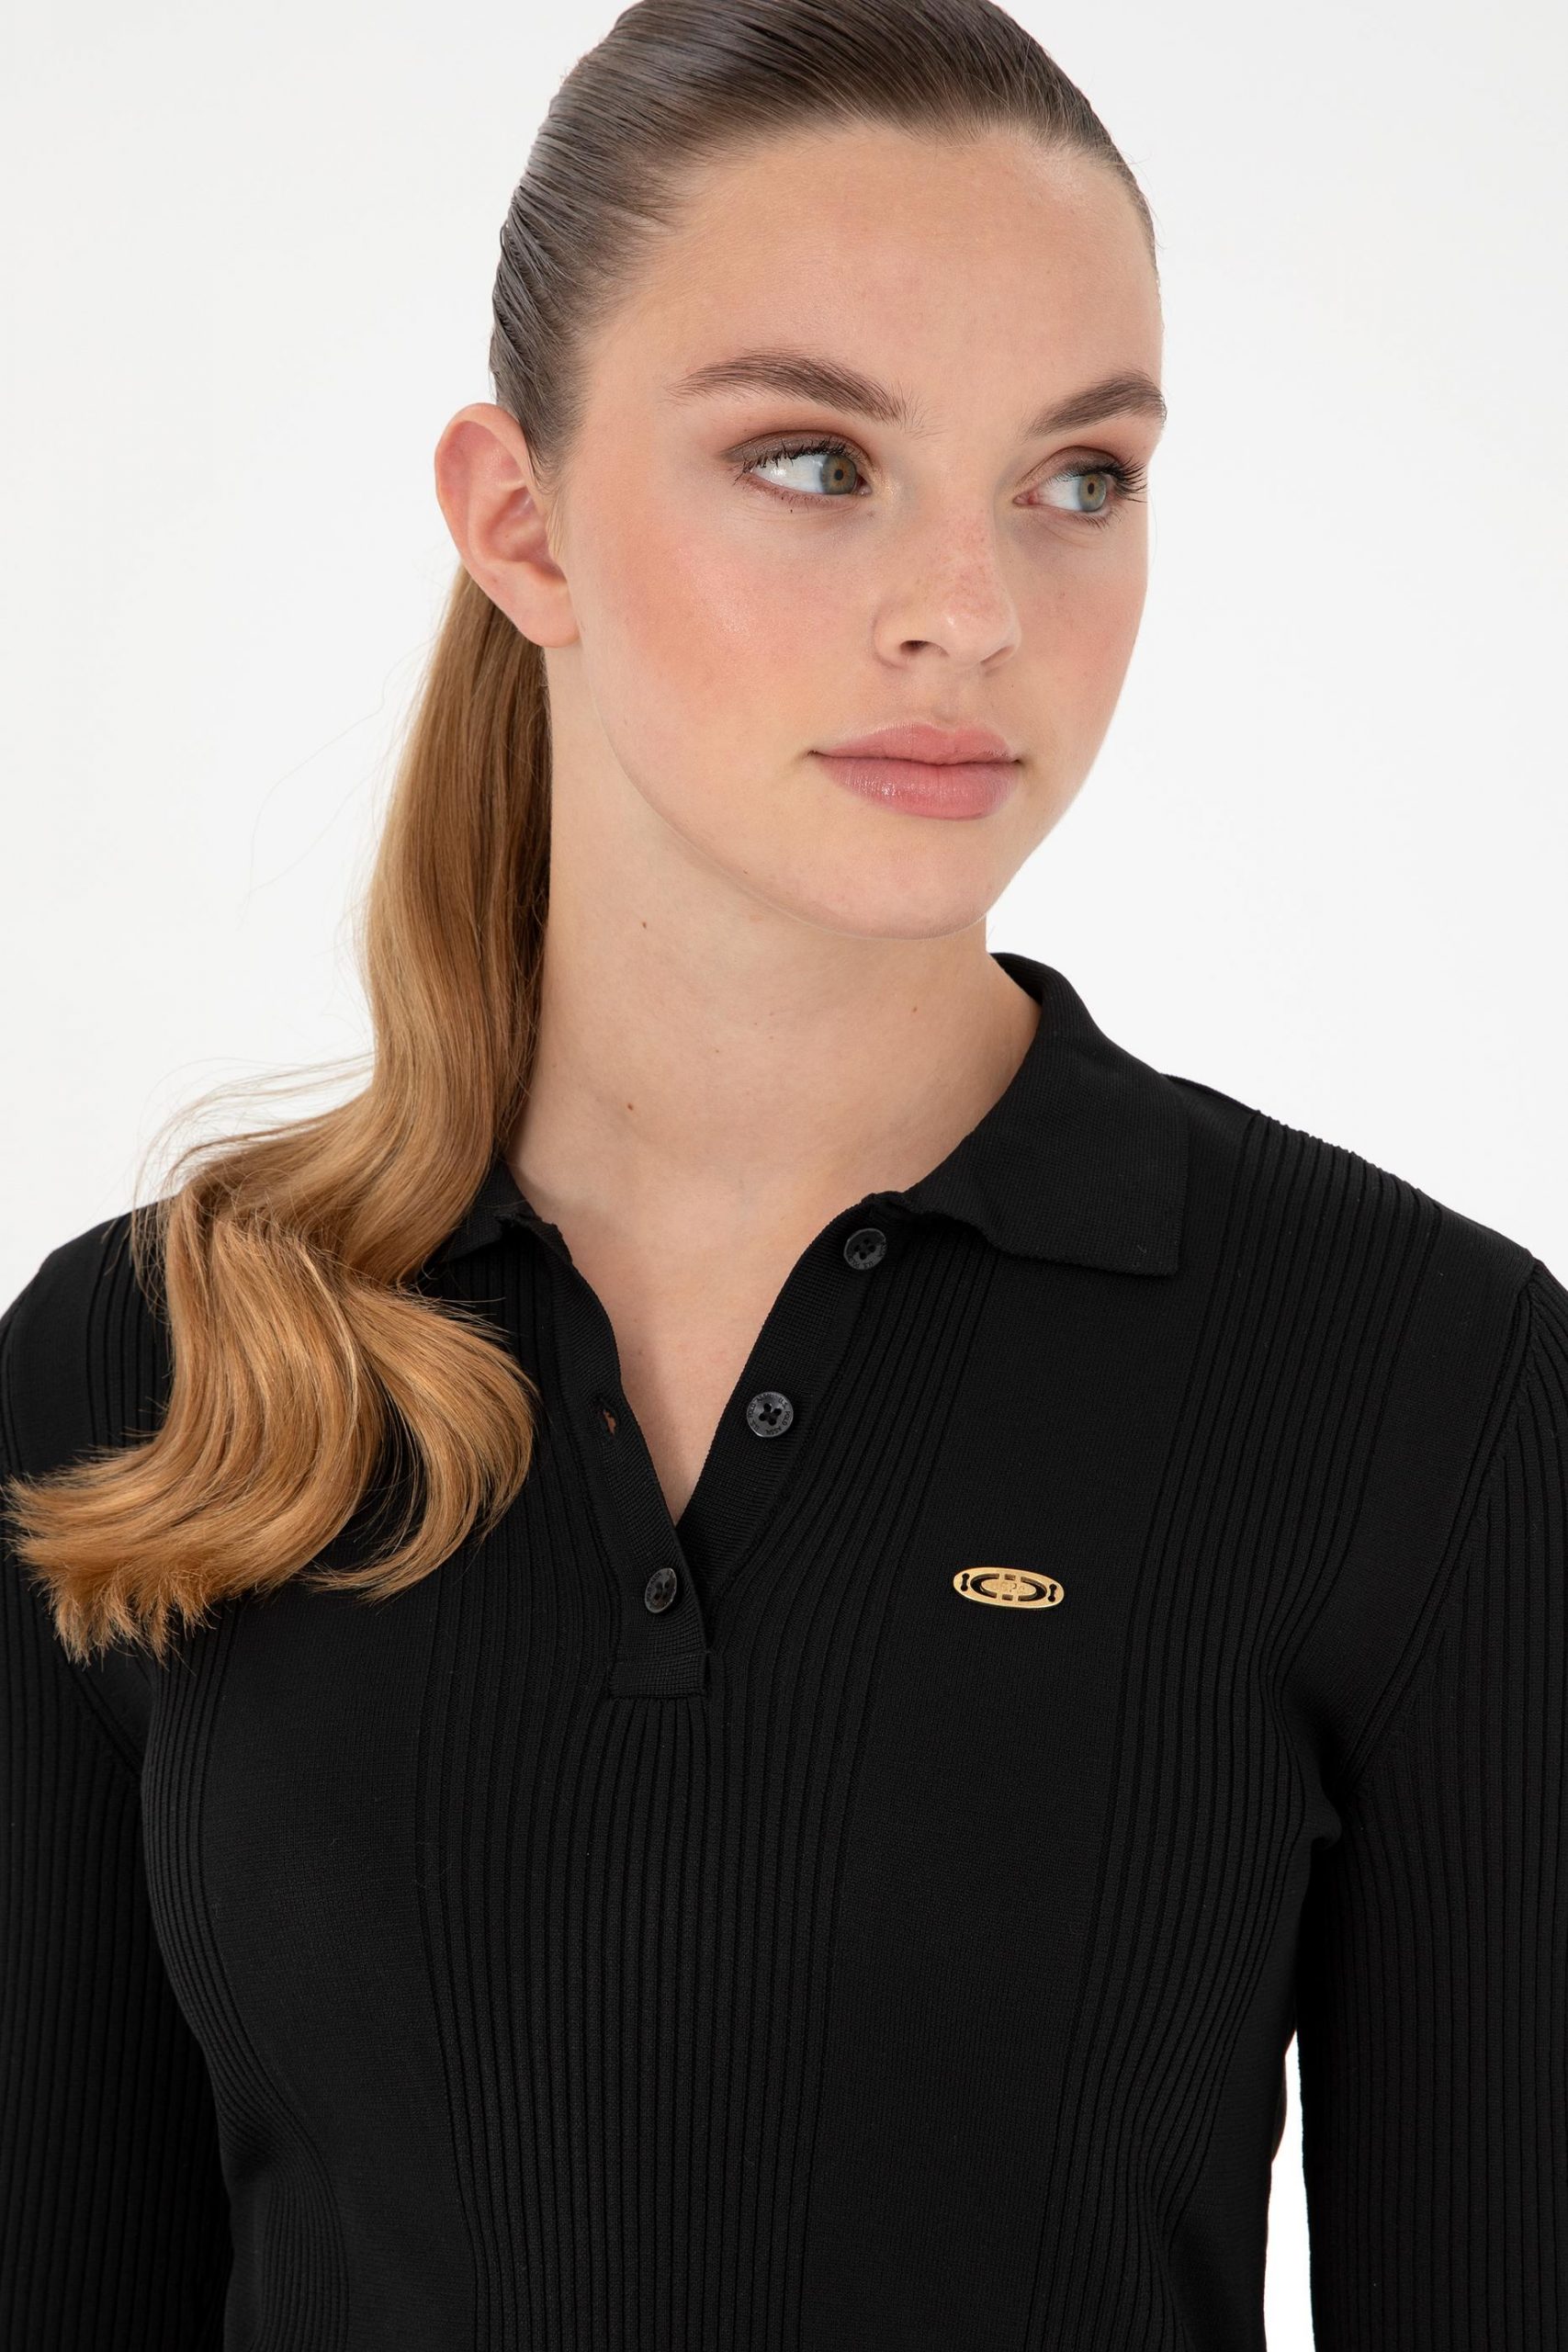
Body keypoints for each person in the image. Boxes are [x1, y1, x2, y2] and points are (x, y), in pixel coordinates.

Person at [3, 2, 1563, 2346]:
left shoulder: (1408, 1377)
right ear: (519, 519)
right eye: (817, 460)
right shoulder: (146, 1371)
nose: (972, 606)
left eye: (1078, 477)